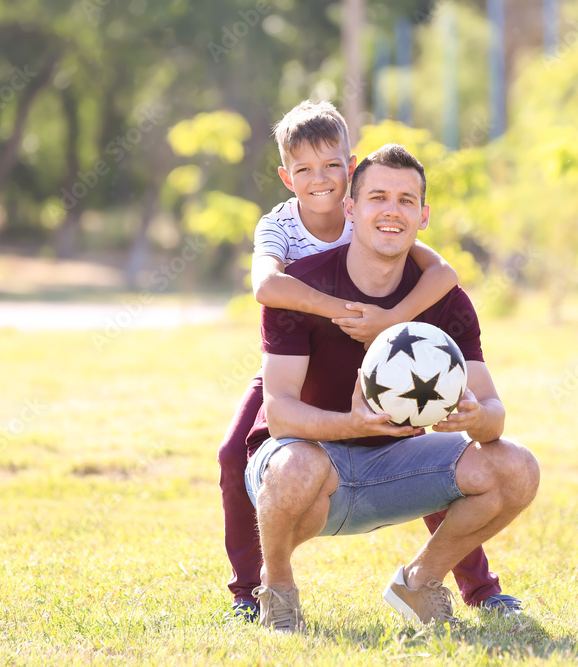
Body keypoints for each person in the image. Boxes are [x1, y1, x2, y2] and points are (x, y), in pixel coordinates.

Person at [217, 101, 522, 621]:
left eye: (333, 166)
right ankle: (255, 590)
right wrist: (344, 312)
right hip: (302, 351)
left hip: (387, 353)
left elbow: (442, 271)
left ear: (349, 166)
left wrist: (392, 318)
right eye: (306, 169)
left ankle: (470, 585)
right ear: (286, 176)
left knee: (424, 445)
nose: (322, 180)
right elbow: (268, 287)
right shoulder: (281, 228)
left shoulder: (385, 218)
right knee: (237, 453)